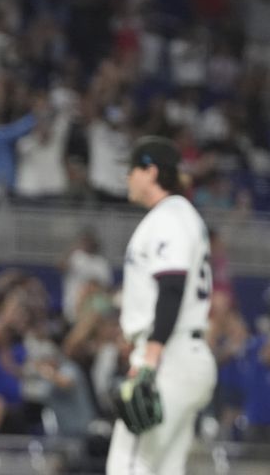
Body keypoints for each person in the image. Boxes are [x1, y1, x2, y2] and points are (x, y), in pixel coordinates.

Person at [105, 136, 217, 475]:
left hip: (170, 357)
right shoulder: (180, 216)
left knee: (127, 465)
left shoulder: (169, 217)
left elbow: (172, 287)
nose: (127, 177)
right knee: (165, 468)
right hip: (184, 354)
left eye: (132, 170)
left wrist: (151, 359)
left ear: (150, 171)